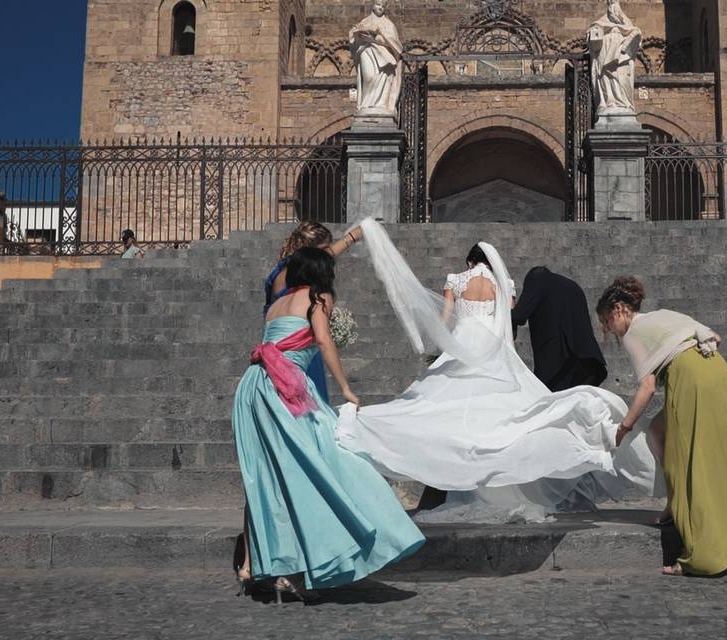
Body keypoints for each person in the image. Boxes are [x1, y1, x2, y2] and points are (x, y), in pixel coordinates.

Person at [335, 220, 657, 524]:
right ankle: (499, 484)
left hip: (461, 347)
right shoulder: (503, 284)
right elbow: (509, 320)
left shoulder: (456, 280)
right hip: (493, 351)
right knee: (503, 419)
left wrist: (442, 342)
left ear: (469, 262)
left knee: (440, 412)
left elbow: (445, 320)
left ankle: (439, 481)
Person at [234, 247, 424, 601]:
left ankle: (271, 568)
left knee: (269, 475)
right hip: (285, 388)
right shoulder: (318, 298)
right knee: (328, 459)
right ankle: (328, 552)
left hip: (253, 387)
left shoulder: (278, 302)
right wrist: (347, 389)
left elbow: (275, 342)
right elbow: (322, 341)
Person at [596, 276, 727, 576]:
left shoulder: (634, 333)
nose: (607, 330)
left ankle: (703, 551)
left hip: (690, 377)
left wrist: (623, 428)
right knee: (662, 434)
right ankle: (678, 503)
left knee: (691, 458)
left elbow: (647, 388)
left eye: (606, 321)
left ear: (619, 310)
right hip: (716, 369)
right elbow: (715, 336)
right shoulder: (664, 315)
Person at [264, 221, 364, 402]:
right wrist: (345, 388)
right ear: (311, 250)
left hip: (283, 350)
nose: (328, 254)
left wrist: (357, 234)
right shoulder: (294, 277)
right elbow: (323, 339)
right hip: (295, 351)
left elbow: (330, 253)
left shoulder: (291, 269)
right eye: (324, 249)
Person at [512, 266, 607, 392]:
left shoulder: (536, 278)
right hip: (588, 363)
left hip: (559, 362)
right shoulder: (572, 285)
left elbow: (520, 315)